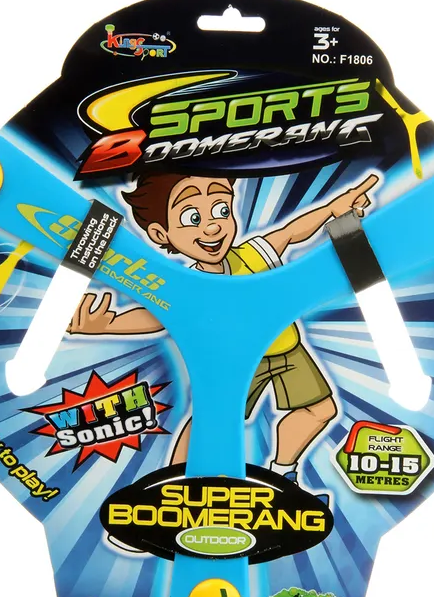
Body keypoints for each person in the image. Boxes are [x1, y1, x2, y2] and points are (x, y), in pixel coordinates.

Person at [69, 171, 378, 483]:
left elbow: (290, 232)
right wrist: (108, 324)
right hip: (238, 361)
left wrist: (332, 209)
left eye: (221, 210)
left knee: (319, 410)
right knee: (209, 420)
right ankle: (172, 481)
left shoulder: (252, 254)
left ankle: (282, 473)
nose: (213, 226)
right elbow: (157, 317)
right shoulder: (188, 285)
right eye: (192, 217)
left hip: (289, 351)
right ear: (161, 234)